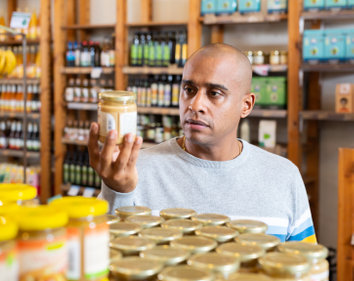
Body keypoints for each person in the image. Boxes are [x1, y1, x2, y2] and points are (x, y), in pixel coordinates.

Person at [88, 43, 316, 243]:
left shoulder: (284, 177)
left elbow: (304, 274)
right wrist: (118, 192)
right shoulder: (134, 172)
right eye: (189, 90)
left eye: (215, 93)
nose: (195, 104)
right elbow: (103, 258)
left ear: (246, 105)